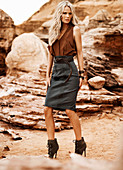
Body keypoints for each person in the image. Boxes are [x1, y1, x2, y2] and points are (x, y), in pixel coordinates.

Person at [44, 0, 86, 159]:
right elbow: (51, 55)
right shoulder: (53, 31)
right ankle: (52, 145)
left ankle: (79, 143)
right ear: (59, 14)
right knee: (47, 108)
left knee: (69, 109)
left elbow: (80, 53)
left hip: (70, 72)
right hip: (56, 73)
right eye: (64, 13)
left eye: (69, 13)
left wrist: (82, 74)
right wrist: (47, 76)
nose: (67, 16)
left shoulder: (75, 30)